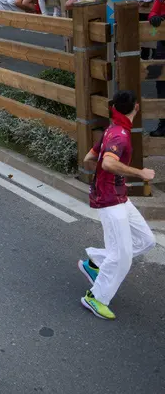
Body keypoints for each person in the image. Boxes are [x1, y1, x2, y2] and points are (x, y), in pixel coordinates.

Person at [77, 90, 156, 320]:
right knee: (122, 257)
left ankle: (95, 264)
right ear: (136, 108)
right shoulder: (120, 135)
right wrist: (140, 173)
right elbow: (109, 162)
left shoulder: (113, 130)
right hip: (110, 199)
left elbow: (89, 158)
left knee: (146, 241)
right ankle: (96, 298)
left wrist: (112, 175)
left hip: (118, 195)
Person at [148, 0, 165, 137]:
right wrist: (154, 18)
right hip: (163, 42)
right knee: (160, 83)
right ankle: (163, 124)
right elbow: (153, 11)